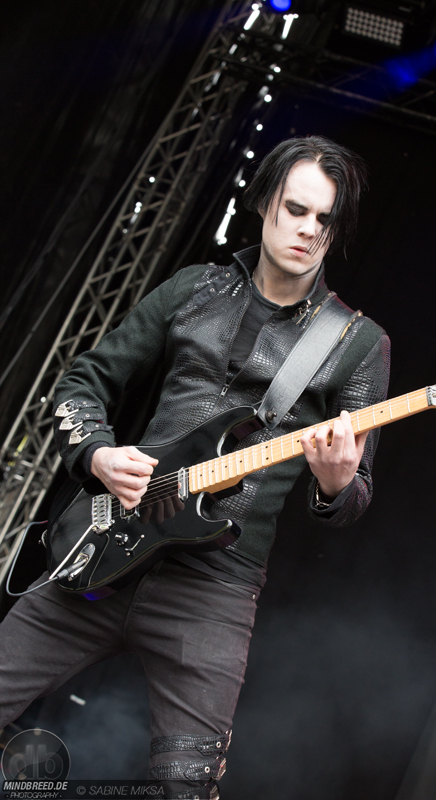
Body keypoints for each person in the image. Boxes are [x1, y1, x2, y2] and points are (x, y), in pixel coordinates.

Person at [0, 135, 390, 799]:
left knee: (186, 788)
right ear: (263, 203)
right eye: (295, 209)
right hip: (106, 545)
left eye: (325, 219)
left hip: (213, 590)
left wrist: (336, 482)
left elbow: (353, 498)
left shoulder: (358, 344)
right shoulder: (195, 288)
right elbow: (81, 382)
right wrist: (98, 452)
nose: (307, 229)